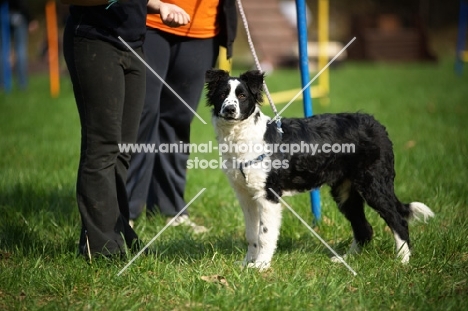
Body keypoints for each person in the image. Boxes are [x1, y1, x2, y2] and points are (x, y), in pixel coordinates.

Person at [61, 0, 190, 259]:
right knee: (103, 147)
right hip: (95, 39)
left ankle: (116, 230)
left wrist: (158, 5)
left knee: (124, 149)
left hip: (134, 44)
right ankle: (101, 248)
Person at [126, 0, 237, 232]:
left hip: (203, 27)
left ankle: (169, 209)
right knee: (141, 116)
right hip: (149, 20)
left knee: (179, 118)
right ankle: (125, 212)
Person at [0, 0, 38, 90]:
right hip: (19, 14)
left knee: (2, 51)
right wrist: (30, 18)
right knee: (20, 50)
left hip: (3, 14)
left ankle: (2, 84)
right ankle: (22, 84)